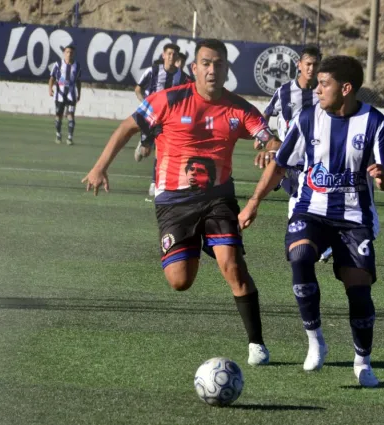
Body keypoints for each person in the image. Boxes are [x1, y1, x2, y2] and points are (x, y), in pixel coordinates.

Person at [82, 38, 281, 366]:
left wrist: (271, 149)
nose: (212, 70)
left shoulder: (239, 108)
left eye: (218, 64)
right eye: (206, 63)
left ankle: (257, 343)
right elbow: (128, 127)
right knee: (180, 281)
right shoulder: (169, 99)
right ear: (194, 68)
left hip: (218, 198)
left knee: (232, 267)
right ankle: (195, 243)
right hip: (174, 202)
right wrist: (99, 167)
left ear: (227, 69)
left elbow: (269, 139)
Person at [239, 55, 384, 387]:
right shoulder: (307, 118)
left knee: (359, 293)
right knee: (300, 256)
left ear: (346, 88)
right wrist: (253, 202)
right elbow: (280, 164)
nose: (317, 89)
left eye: (324, 84)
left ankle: (362, 361)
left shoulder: (376, 123)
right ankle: (315, 341)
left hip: (354, 219)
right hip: (310, 210)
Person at [262, 44, 333, 263]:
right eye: (308, 64)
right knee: (299, 199)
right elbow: (265, 115)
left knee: (305, 201)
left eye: (315, 64)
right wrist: (265, 139)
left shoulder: (324, 93)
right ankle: (312, 243)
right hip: (290, 157)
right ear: (299, 65)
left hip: (316, 158)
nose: (311, 68)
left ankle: (306, 244)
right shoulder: (284, 91)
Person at [133, 43, 191, 197]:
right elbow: (138, 89)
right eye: (169, 53)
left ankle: (154, 183)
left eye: (174, 54)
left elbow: (191, 93)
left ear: (177, 57)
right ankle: (142, 145)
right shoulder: (152, 71)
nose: (171, 57)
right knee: (144, 153)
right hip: (151, 117)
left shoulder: (183, 77)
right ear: (163, 55)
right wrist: (145, 104)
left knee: (161, 151)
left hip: (168, 120)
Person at [49, 44, 81, 145]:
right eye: (67, 52)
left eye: (71, 52)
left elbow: (78, 81)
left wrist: (79, 93)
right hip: (59, 95)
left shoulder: (77, 65)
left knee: (71, 115)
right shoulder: (58, 64)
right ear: (64, 53)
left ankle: (70, 138)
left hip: (71, 95)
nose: (69, 54)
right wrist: (50, 89)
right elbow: (52, 78)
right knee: (58, 115)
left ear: (73, 54)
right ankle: (58, 135)